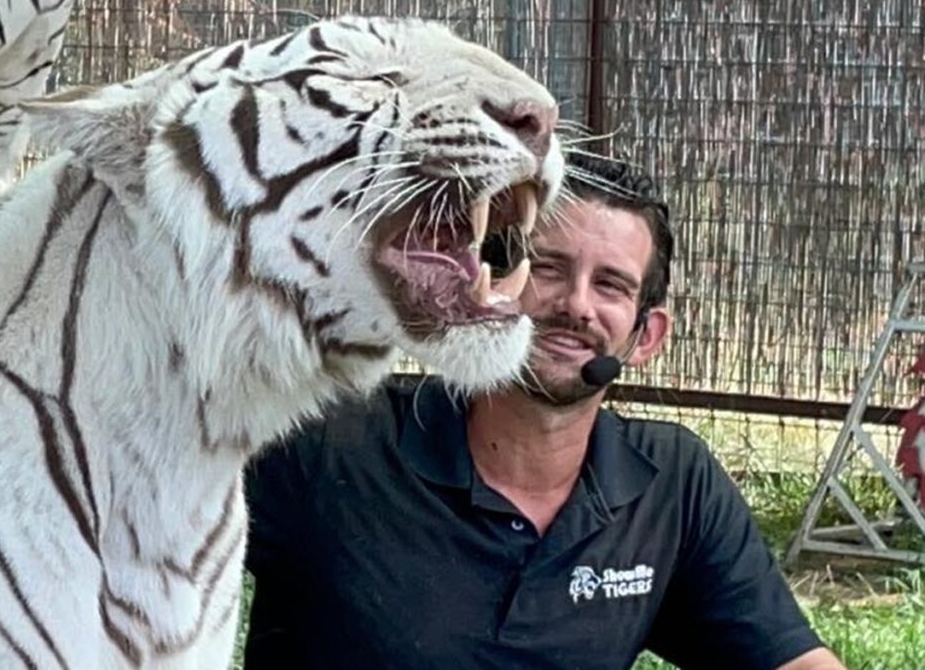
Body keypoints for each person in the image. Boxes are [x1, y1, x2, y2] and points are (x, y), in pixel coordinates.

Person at [241, 152, 846, 670]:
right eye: (549, 268)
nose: (576, 305)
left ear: (647, 334)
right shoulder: (327, 444)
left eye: (610, 285)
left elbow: (793, 659)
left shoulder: (672, 484)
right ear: (484, 281)